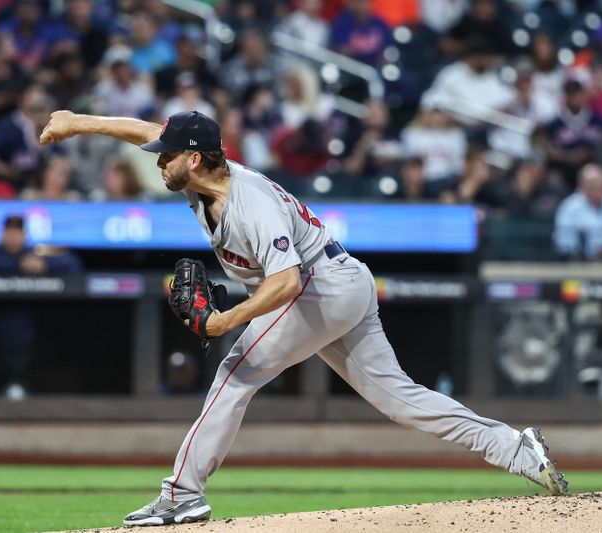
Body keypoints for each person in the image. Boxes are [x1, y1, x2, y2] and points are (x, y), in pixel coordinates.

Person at [39, 109, 568, 526]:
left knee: (233, 373)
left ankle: (181, 497)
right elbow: (146, 131)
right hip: (339, 283)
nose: (158, 161)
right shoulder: (203, 180)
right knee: (401, 400)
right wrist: (77, 122)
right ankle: (515, 449)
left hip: (320, 285)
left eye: (168, 156)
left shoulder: (251, 202)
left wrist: (227, 321)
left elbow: (287, 282)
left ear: (194, 159)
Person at [0, 214, 82, 400]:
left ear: (25, 235)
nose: (13, 236)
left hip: (28, 328)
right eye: (9, 232)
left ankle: (19, 385)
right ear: (2, 234)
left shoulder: (35, 253)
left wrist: (43, 265)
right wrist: (18, 266)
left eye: (18, 232)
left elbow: (73, 263)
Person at [554, 163, 602, 260]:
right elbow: (564, 244)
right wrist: (595, 251)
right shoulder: (569, 207)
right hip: (580, 265)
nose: (598, 189)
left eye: (601, 185)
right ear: (582, 186)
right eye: (593, 185)